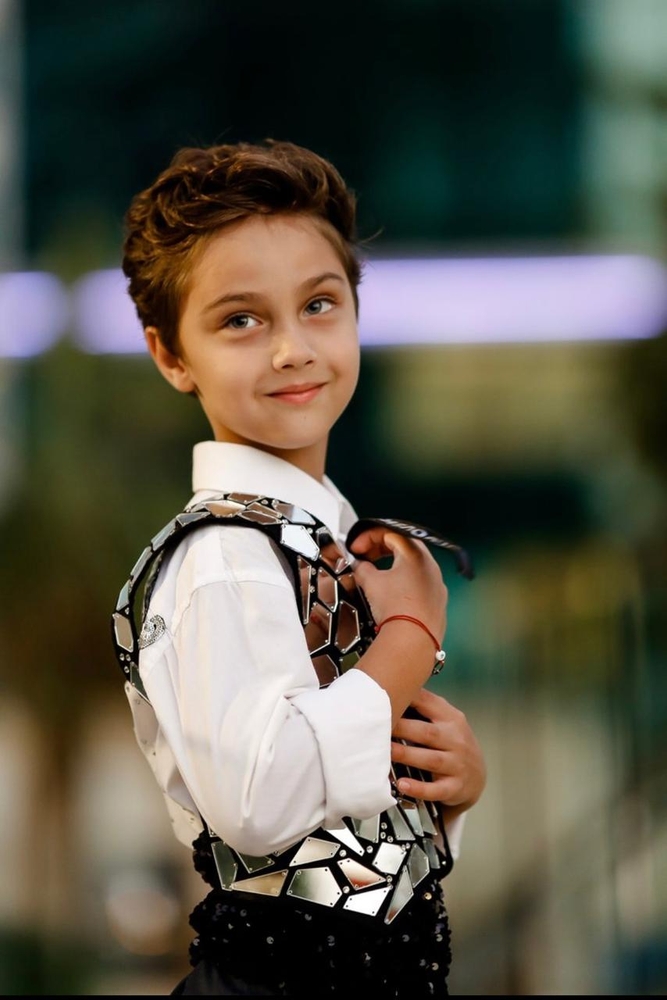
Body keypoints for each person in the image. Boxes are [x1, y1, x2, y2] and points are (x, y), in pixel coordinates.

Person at [112, 139, 486, 996]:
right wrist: (410, 637)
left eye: (318, 304)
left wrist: (447, 788)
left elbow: (340, 837)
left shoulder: (321, 536)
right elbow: (261, 805)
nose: (291, 349)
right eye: (240, 320)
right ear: (171, 356)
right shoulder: (221, 558)